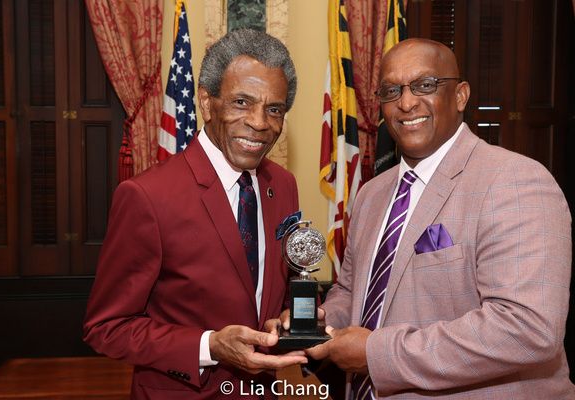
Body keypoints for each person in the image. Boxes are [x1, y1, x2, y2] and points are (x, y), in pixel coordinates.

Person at [270, 38, 575, 398]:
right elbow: (352, 292)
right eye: (390, 90)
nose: (406, 102)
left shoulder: (515, 180)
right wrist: (320, 324)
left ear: (461, 95)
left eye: (425, 85)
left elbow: (527, 329)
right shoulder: (371, 194)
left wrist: (375, 353)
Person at [83, 29, 308, 399]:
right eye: (241, 102)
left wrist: (290, 319)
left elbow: (278, 289)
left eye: (274, 109)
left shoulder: (282, 185)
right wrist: (209, 346)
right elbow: (106, 327)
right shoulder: (147, 196)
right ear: (206, 101)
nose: (259, 122)